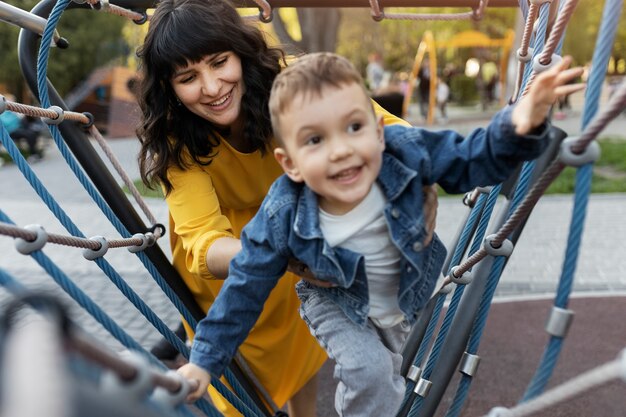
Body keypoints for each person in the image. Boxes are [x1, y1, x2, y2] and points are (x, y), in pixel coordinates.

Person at [176, 52, 585, 416]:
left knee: (391, 376)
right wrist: (204, 360)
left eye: (353, 128)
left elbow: (467, 160)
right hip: (334, 297)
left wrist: (518, 122)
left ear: (376, 128)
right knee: (370, 374)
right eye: (315, 140)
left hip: (404, 290)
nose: (341, 150)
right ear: (291, 164)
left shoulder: (403, 148)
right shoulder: (283, 211)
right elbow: (244, 287)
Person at [135, 0, 437, 415]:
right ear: (169, 87)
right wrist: (279, 253)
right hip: (236, 267)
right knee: (240, 391)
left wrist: (421, 189)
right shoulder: (178, 139)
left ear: (241, 52)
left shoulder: (293, 83)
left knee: (301, 359)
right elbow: (204, 243)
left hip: (298, 239)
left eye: (220, 62)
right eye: (188, 77)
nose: (211, 87)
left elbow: (392, 134)